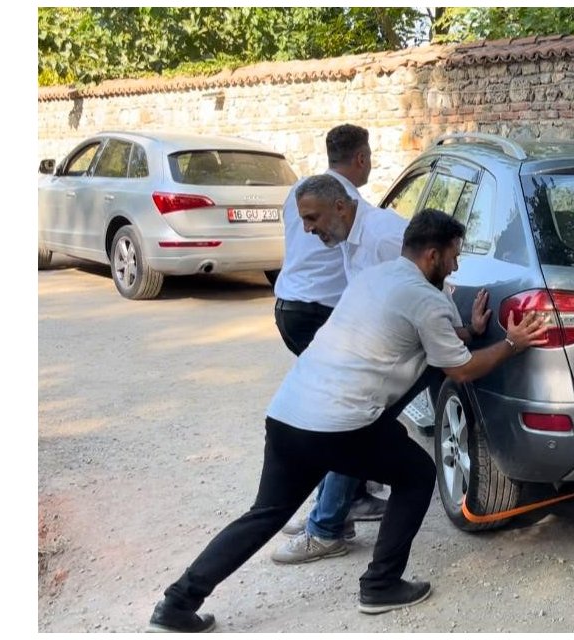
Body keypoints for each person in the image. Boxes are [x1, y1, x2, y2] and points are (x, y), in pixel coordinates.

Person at [147, 210, 550, 632]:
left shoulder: (375, 278)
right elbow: (462, 369)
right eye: (453, 255)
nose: (456, 265)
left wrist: (468, 330)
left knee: (265, 514)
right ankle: (380, 584)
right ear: (432, 255)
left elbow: (418, 337)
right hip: (339, 425)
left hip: (288, 414)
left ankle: (176, 603)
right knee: (417, 475)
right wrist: (512, 342)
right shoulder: (426, 299)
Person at [271, 174, 489, 564]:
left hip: (402, 353)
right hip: (385, 351)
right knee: (351, 428)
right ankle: (332, 516)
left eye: (312, 218)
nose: (307, 229)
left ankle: (326, 526)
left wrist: (469, 332)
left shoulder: (384, 239)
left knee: (356, 427)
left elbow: (429, 297)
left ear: (340, 207)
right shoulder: (349, 235)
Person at [272, 125, 383, 548]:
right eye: (369, 157)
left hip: (289, 307)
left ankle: (344, 501)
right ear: (360, 158)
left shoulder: (301, 191)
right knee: (347, 414)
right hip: (320, 312)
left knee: (332, 408)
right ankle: (330, 517)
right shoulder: (349, 205)